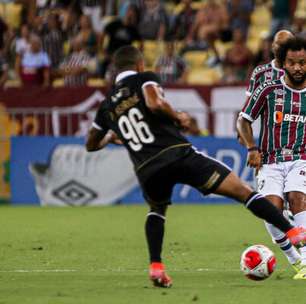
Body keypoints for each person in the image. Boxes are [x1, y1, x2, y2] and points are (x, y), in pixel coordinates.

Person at [86, 45, 306, 288]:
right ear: (139, 65)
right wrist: (177, 117)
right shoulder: (144, 78)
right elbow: (154, 102)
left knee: (157, 210)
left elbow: (92, 144)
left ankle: (156, 267)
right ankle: (293, 231)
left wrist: (114, 137)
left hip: (147, 168)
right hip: (176, 153)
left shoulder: (106, 106)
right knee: (243, 191)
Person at [236, 36, 306, 280]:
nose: (298, 68)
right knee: (271, 210)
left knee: (297, 199)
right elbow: (243, 120)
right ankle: (295, 260)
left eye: (303, 63)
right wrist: (251, 148)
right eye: (293, 63)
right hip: (270, 160)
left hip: (301, 158)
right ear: (283, 63)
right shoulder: (269, 89)